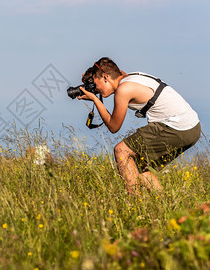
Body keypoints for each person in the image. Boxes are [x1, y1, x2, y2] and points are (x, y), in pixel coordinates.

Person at [77, 57, 201, 195]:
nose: (96, 89)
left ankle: (135, 203)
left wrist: (95, 99)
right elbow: (113, 71)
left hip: (176, 126)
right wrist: (91, 77)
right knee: (136, 165)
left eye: (95, 84)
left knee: (121, 151)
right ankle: (163, 204)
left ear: (106, 77)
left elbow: (114, 127)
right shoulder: (127, 77)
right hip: (191, 127)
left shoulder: (123, 90)